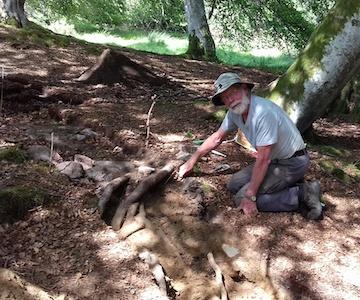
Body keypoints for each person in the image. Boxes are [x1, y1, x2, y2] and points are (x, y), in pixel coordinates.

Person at [178, 72, 323, 220]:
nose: (231, 100)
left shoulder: (263, 113)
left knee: (242, 198)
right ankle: (286, 185)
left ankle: (303, 192)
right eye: (225, 97)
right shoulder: (234, 113)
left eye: (233, 93)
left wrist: (250, 196)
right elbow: (217, 138)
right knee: (234, 184)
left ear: (245, 90)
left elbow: (263, 160)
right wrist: (192, 161)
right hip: (274, 161)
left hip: (292, 162)